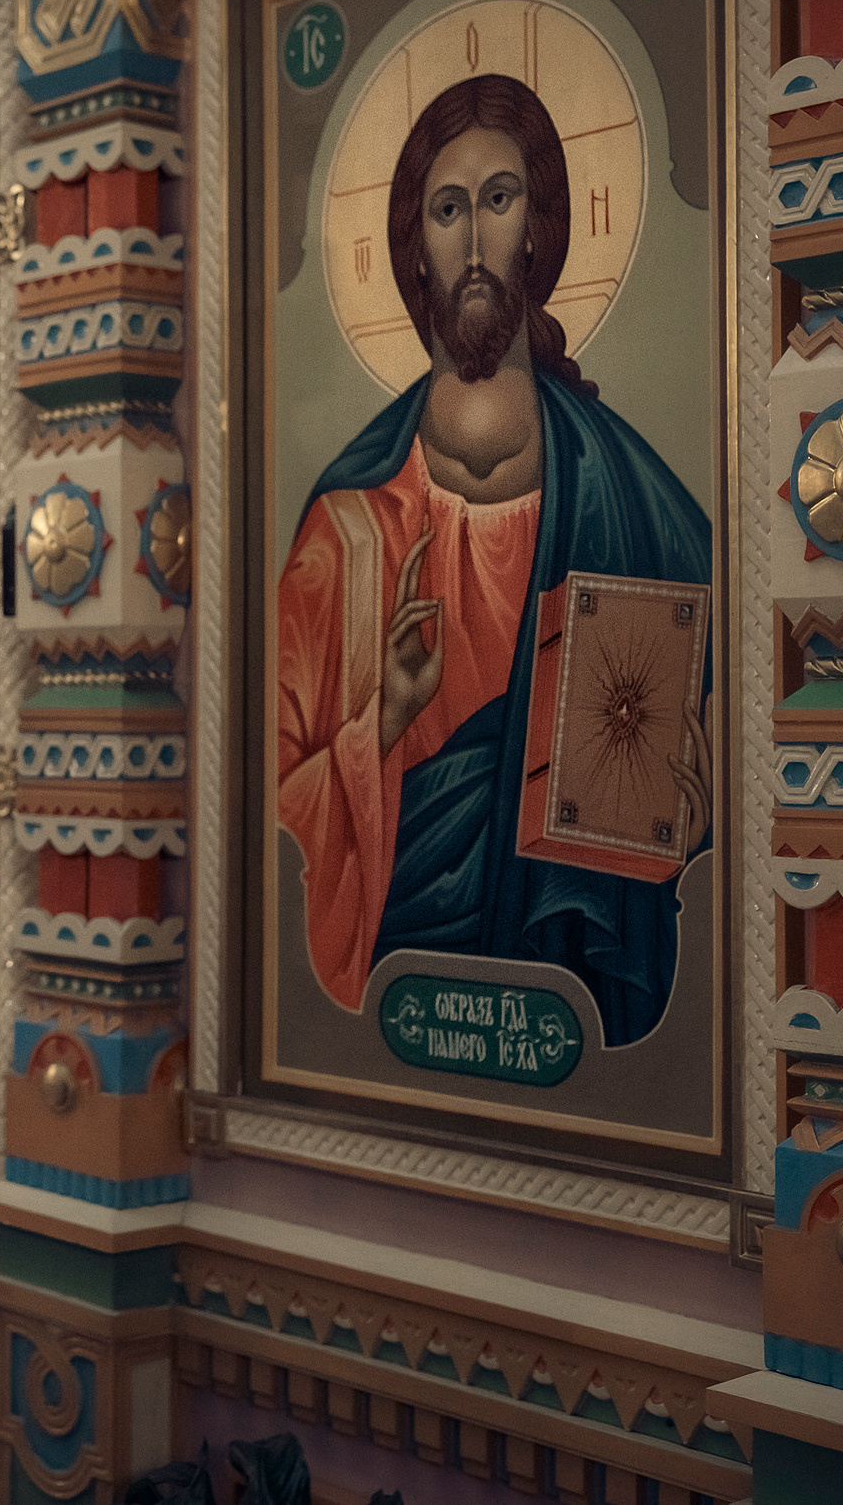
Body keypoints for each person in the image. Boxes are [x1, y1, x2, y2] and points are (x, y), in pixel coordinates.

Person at [274, 74, 710, 1048]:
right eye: (445, 208)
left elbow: (719, 738)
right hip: (401, 951)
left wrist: (695, 789)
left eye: (499, 199)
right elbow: (275, 806)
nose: (473, 242)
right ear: (413, 249)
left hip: (575, 969)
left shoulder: (634, 497)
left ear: (540, 228)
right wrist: (383, 714)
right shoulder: (345, 525)